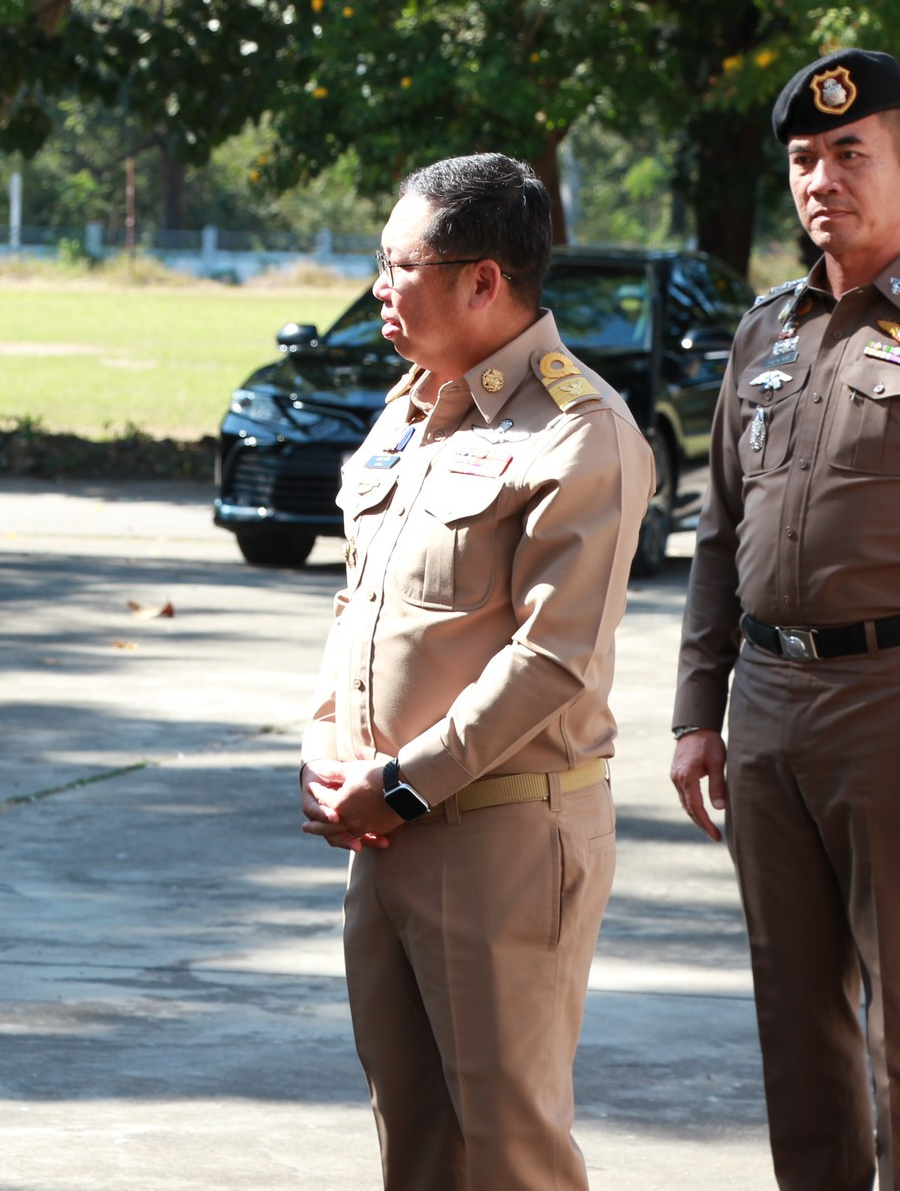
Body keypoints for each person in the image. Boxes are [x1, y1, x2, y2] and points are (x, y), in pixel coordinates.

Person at [671, 49, 900, 1191]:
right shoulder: (766, 331)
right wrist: (695, 713)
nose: (822, 179)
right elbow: (720, 534)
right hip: (766, 708)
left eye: (850, 153)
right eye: (803, 159)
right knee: (795, 1020)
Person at [298, 151, 652, 1190]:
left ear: (482, 280)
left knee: (510, 1152)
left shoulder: (578, 431)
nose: (378, 287)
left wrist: (404, 781)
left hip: (501, 834)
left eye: (397, 264)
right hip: (386, 828)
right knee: (414, 1146)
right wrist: (324, 745)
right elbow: (358, 605)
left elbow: (551, 658)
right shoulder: (412, 410)